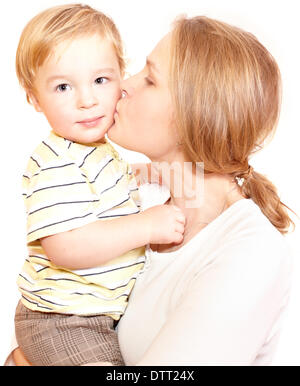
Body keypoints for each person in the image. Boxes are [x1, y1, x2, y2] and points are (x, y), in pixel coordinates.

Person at [11, 14, 294, 366]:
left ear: (196, 113)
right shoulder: (139, 200)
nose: (123, 85)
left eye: (150, 79)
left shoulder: (249, 252)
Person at [12, 4, 185, 366]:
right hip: (61, 320)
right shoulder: (56, 161)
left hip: (95, 315)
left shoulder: (98, 152)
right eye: (63, 86)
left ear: (121, 78)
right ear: (34, 98)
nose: (87, 100)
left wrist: (137, 174)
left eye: (100, 81)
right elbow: (66, 245)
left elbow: (97, 196)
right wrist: (146, 224)